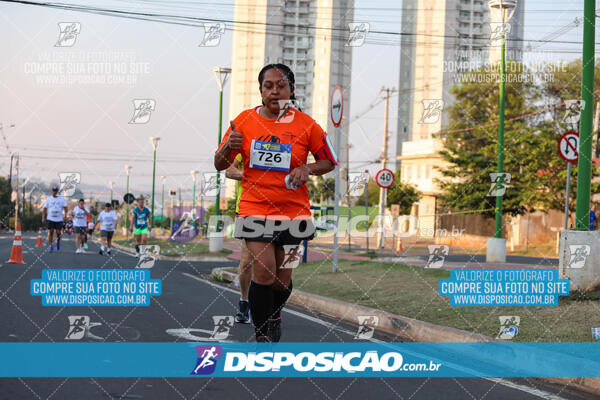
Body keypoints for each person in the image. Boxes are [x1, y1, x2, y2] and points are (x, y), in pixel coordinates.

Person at [214, 63, 337, 342]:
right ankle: (261, 335)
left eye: (281, 85)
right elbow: (220, 164)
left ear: (291, 90)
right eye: (268, 85)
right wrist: (228, 147)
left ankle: (275, 314)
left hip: (294, 212)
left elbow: (329, 160)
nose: (274, 90)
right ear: (260, 91)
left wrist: (307, 169)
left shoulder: (307, 125)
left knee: (282, 280)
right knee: (264, 269)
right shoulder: (244, 121)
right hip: (255, 207)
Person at [226, 153, 253, 324]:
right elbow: (230, 171)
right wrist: (251, 176)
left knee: (271, 263)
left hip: (277, 209)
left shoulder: (285, 143)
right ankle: (244, 302)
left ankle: (270, 308)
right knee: (247, 260)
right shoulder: (247, 144)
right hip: (248, 209)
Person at [41, 186, 68, 252]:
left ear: (57, 191)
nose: (54, 192)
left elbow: (65, 208)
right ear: (52, 191)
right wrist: (43, 217)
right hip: (50, 218)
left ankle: (58, 242)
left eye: (56, 191)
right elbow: (44, 209)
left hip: (59, 219)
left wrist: (65, 216)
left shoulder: (61, 199)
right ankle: (50, 245)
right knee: (51, 232)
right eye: (53, 191)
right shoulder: (49, 199)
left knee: (58, 232)